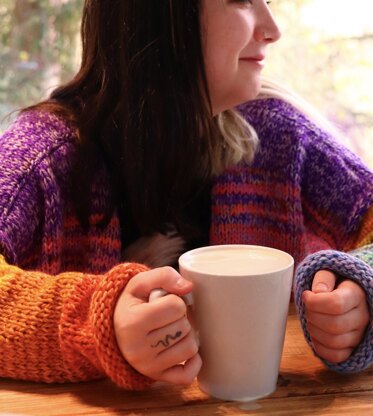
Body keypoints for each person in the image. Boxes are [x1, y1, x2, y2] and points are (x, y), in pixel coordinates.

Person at [0, 0, 372, 390]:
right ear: (164, 17)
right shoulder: (39, 155)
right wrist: (97, 322)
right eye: (242, 2)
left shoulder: (280, 137)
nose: (272, 28)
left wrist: (364, 291)